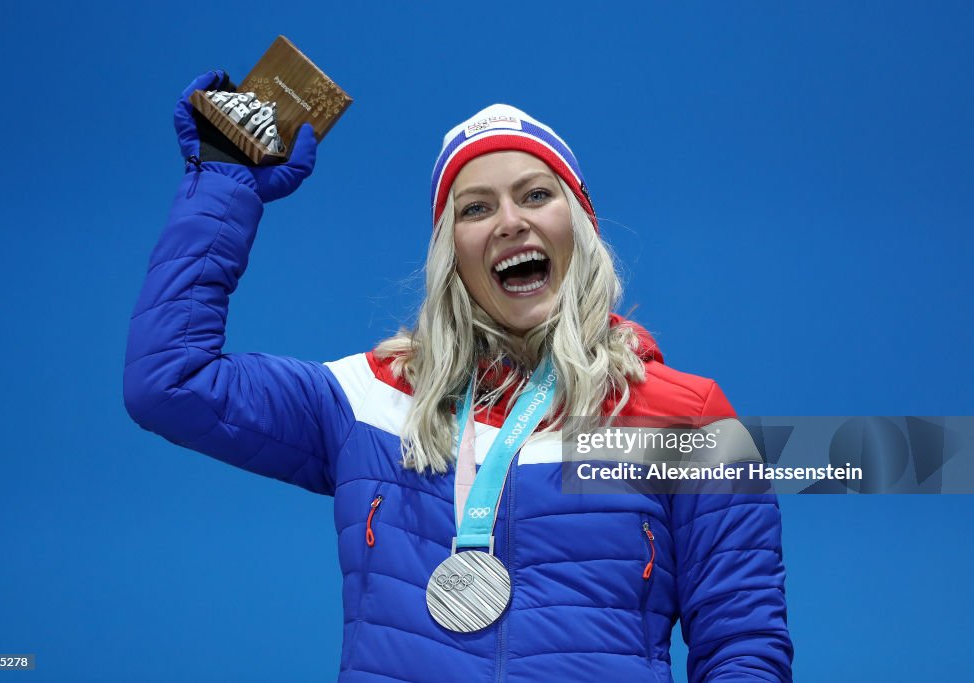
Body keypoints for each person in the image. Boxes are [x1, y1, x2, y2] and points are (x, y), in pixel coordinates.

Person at [124, 70, 793, 683]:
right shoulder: (369, 400)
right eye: (475, 208)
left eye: (536, 194)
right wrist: (224, 184)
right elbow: (169, 381)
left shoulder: (688, 418)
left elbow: (743, 647)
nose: (510, 221)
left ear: (580, 226)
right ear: (453, 255)